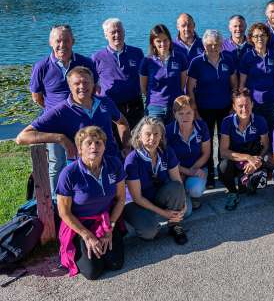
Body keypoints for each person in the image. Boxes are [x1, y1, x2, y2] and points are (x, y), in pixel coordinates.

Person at [17, 66, 131, 195]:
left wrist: (126, 146)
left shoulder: (105, 102)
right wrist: (60, 138)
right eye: (77, 83)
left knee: (120, 201)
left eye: (86, 82)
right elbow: (22, 137)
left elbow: (122, 123)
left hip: (111, 163)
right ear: (69, 86)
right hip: (83, 168)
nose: (82, 86)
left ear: (93, 84)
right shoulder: (61, 110)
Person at [29, 24, 98, 195]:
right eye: (58, 41)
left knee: (85, 160)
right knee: (57, 163)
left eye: (66, 40)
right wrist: (55, 112)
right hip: (55, 125)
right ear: (51, 42)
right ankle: (56, 199)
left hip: (82, 122)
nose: (62, 45)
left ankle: (83, 195)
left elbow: (94, 89)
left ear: (73, 41)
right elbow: (37, 96)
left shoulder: (86, 63)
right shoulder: (41, 66)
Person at [56, 126, 125, 280]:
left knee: (115, 264)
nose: (94, 146)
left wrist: (110, 228)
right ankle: (80, 245)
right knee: (93, 272)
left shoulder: (114, 164)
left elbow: (121, 199)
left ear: (104, 146)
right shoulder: (69, 174)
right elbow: (64, 212)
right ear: (80, 149)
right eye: (89, 143)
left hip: (106, 220)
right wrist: (87, 236)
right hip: (79, 225)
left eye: (98, 142)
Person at [123, 117, 188, 245]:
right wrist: (164, 212)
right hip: (136, 203)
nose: (152, 138)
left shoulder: (167, 152)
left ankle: (175, 225)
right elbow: (137, 198)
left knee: (178, 191)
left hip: (156, 196)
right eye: (147, 134)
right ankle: (148, 219)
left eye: (156, 134)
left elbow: (177, 182)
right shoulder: (132, 160)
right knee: (149, 232)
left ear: (161, 136)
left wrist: (184, 203)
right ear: (139, 136)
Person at [187, 29, 238, 188]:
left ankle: (224, 172)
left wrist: (233, 106)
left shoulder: (228, 59)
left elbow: (234, 84)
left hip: (224, 107)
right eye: (210, 44)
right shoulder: (196, 62)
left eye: (217, 44)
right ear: (204, 45)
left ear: (222, 44)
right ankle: (209, 174)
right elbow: (189, 88)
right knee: (207, 141)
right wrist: (194, 109)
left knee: (224, 140)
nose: (214, 47)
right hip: (204, 108)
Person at [219, 90, 272, 210]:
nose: (244, 109)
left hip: (253, 160)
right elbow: (223, 151)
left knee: (248, 190)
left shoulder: (260, 120)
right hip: (236, 160)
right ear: (234, 107)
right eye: (240, 106)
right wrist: (248, 157)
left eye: (247, 105)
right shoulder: (227, 122)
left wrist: (257, 160)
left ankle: (246, 182)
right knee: (223, 166)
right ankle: (232, 192)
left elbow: (266, 146)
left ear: (252, 104)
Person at [92, 18, 145, 129]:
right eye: (113, 32)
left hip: (135, 105)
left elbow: (146, 78)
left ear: (124, 32)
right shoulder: (97, 58)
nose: (117, 35)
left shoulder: (137, 53)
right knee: (113, 139)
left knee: (136, 138)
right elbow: (93, 85)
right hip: (110, 106)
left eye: (119, 31)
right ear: (106, 35)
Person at [165, 96, 211, 211]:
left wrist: (191, 171)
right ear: (174, 114)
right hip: (176, 171)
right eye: (181, 113)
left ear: (194, 113)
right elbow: (167, 160)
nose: (185, 117)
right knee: (186, 212)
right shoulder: (168, 131)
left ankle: (190, 194)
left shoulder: (202, 126)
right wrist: (185, 172)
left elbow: (206, 153)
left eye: (188, 113)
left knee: (195, 189)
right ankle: (183, 197)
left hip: (197, 167)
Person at [239, 22, 274, 133]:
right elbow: (242, 84)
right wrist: (244, 104)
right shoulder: (247, 57)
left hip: (272, 101)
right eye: (256, 36)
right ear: (251, 39)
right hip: (253, 103)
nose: (260, 38)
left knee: (273, 131)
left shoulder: (273, 55)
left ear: (268, 37)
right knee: (256, 132)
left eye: (263, 35)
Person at [139, 24, 188, 123]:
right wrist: (158, 99)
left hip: (176, 106)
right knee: (155, 137)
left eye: (165, 40)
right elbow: (143, 88)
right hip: (154, 108)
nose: (163, 44)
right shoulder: (147, 61)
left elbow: (182, 84)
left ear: (170, 40)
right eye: (158, 41)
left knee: (174, 136)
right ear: (153, 43)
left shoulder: (180, 58)